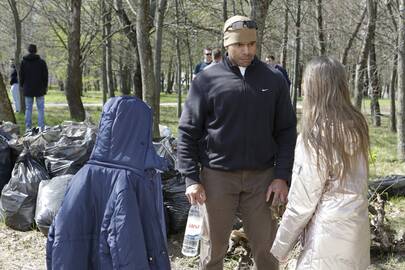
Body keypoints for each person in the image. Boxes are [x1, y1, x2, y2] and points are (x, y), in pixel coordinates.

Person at [178, 15, 297, 270]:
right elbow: (187, 131)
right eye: (240, 45)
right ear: (227, 44)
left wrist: (281, 175)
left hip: (262, 179)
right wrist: (191, 178)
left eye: (252, 44)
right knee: (213, 248)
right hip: (217, 177)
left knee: (267, 249)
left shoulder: (273, 80)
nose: (247, 51)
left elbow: (287, 131)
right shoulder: (206, 81)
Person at [47, 96, 170, 269]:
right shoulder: (130, 181)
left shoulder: (81, 176)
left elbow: (56, 236)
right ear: (141, 128)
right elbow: (128, 249)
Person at [270, 56, 370, 269]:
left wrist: (280, 247)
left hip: (326, 237)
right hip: (356, 230)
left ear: (314, 88)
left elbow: (302, 201)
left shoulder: (316, 136)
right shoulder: (357, 126)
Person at [19, 44, 48, 131]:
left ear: (28, 50)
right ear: (36, 51)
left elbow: (21, 75)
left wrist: (21, 85)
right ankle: (41, 127)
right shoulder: (42, 62)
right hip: (40, 89)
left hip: (28, 88)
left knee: (28, 109)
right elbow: (45, 76)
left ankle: (28, 128)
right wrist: (45, 86)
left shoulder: (24, 62)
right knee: (41, 109)